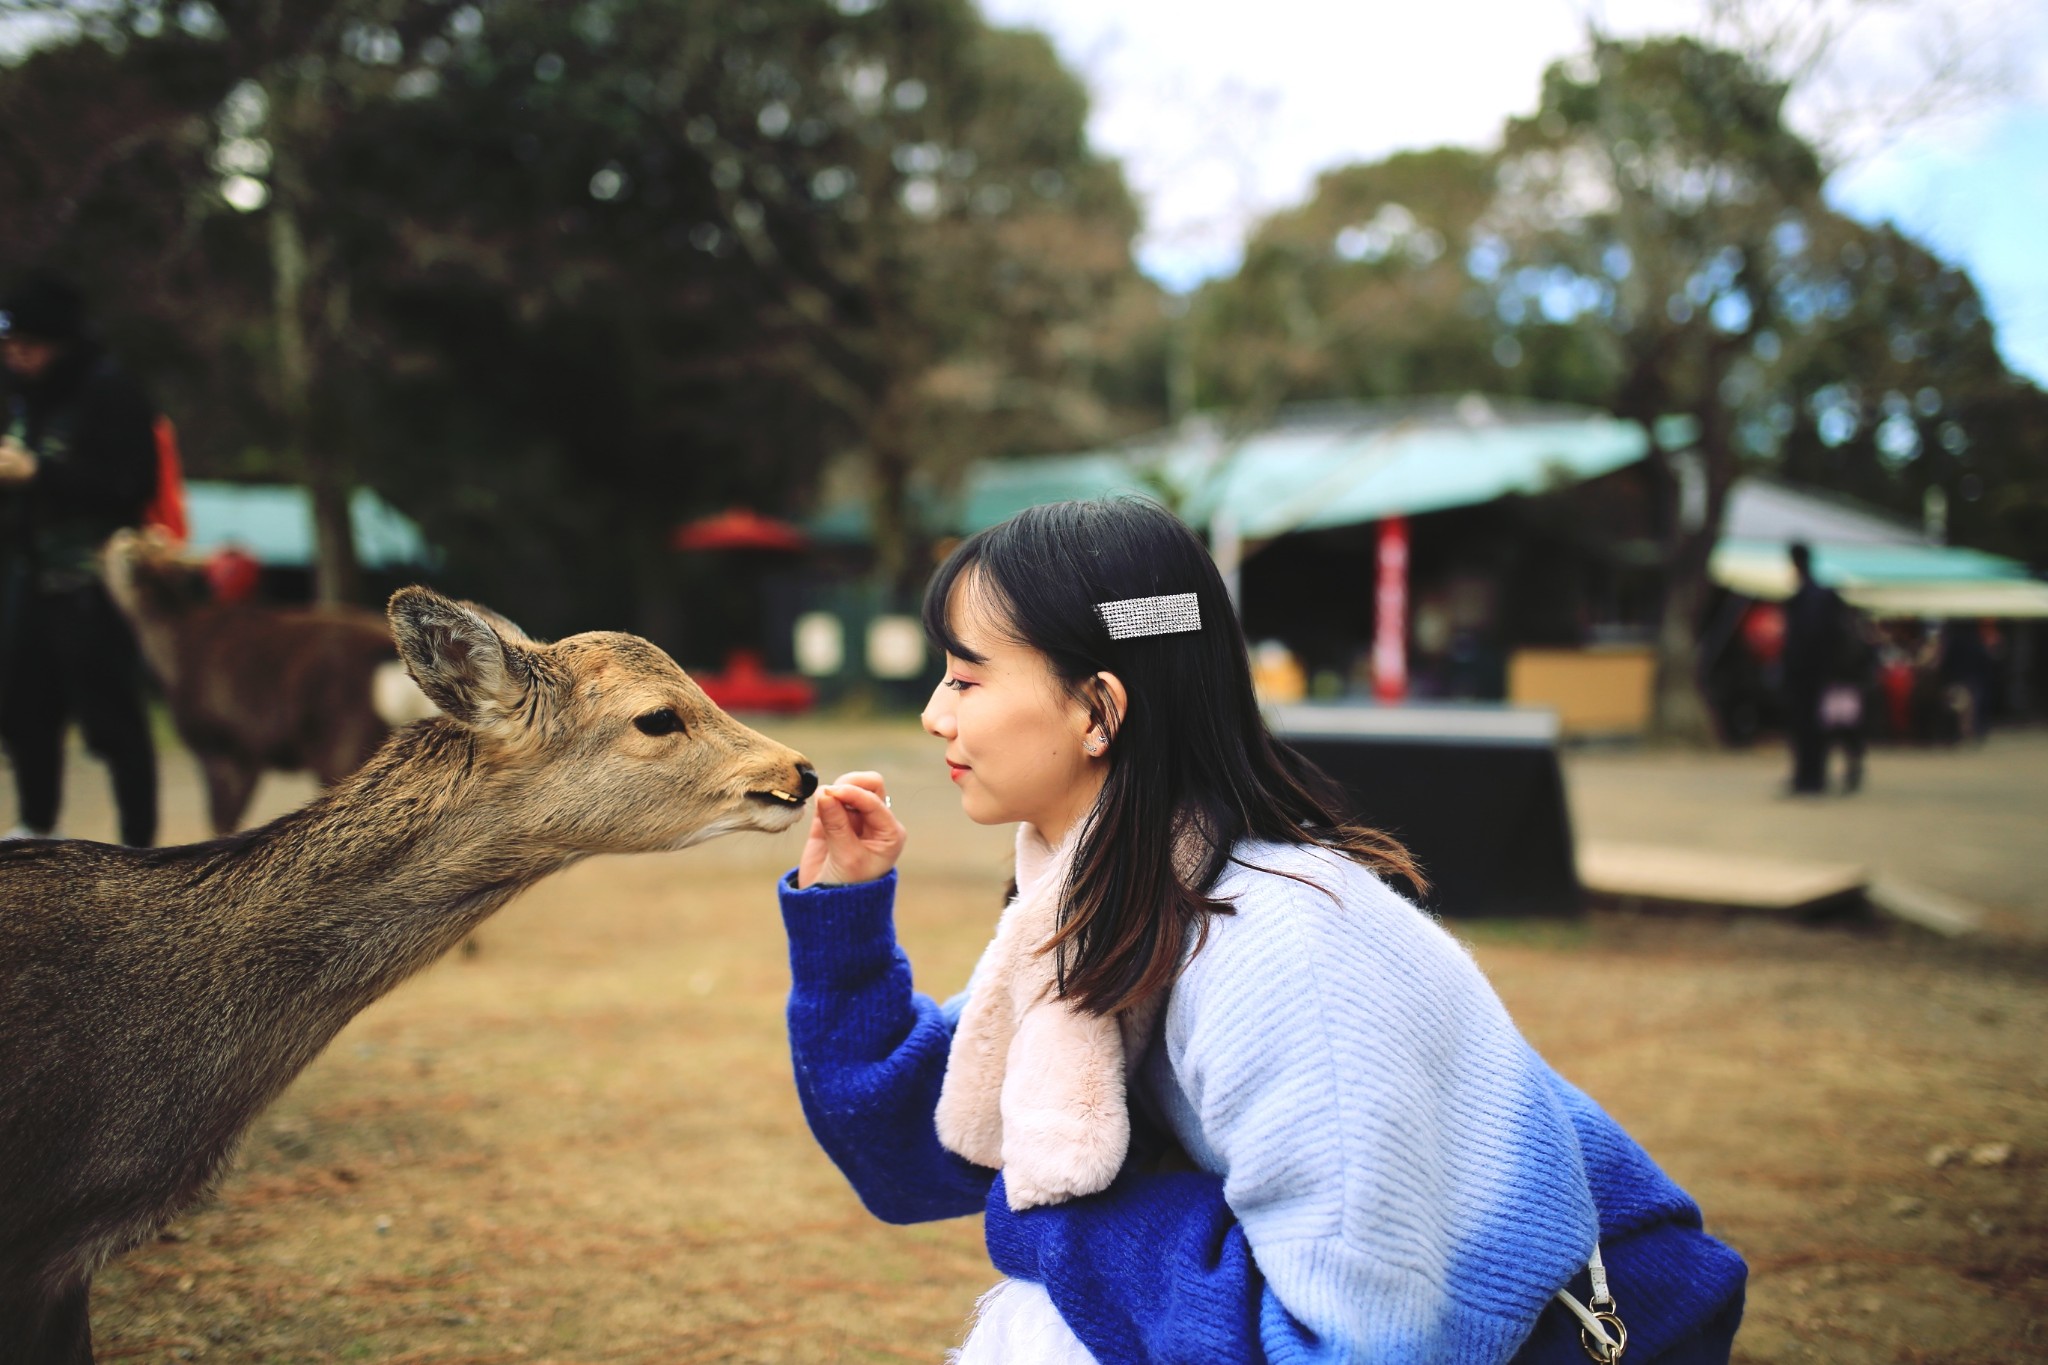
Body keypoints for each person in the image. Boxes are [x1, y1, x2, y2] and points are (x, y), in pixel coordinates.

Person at [773, 498, 1746, 1363]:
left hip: (1564, 1342)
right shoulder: (1099, 902)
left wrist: (1079, 1230)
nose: (934, 713)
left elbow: (1368, 1346)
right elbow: (908, 1158)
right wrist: (842, 923)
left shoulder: (1283, 948)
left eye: (967, 678)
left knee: (1051, 1320)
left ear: (1097, 710)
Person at [0, 269, 159, 844]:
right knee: (22, 708)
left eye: (28, 346)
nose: (16, 357)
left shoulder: (110, 389)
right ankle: (37, 825)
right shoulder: (18, 393)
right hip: (29, 575)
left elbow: (131, 485)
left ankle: (139, 846)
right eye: (8, 347)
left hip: (93, 581)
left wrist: (40, 473)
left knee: (113, 718)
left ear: (60, 343)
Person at [1778, 541, 1864, 795]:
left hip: (1810, 674)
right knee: (1819, 728)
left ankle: (1809, 777)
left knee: (1809, 727)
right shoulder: (1822, 595)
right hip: (1824, 673)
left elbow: (1806, 639)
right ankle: (1811, 776)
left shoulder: (1808, 598)